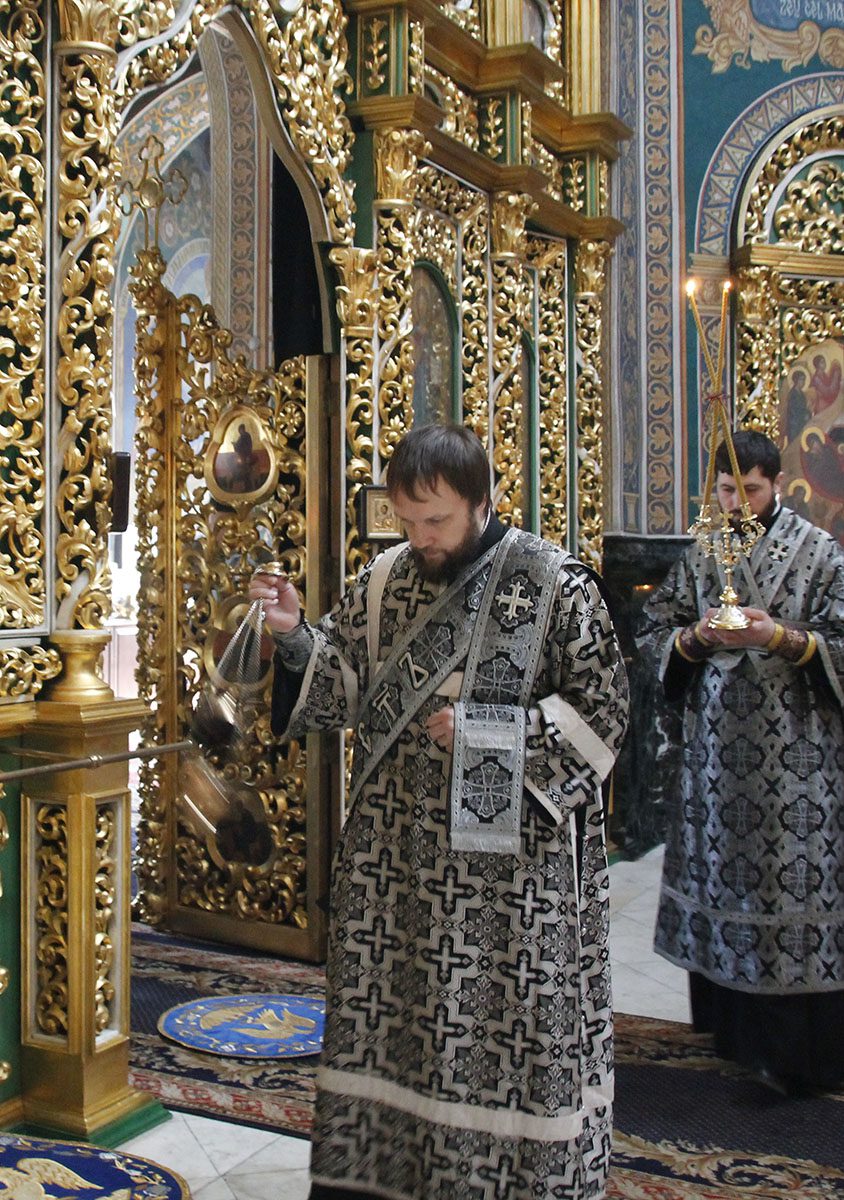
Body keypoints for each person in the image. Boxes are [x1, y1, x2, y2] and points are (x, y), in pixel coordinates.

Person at [249, 424, 629, 1200]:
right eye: (408, 519)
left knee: (497, 1037)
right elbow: (343, 682)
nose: (421, 537)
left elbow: (607, 712)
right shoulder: (384, 579)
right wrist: (293, 635)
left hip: (508, 886)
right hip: (397, 869)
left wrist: (496, 733)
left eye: (438, 521)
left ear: (483, 502)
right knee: (396, 1028)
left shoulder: (553, 583)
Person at [637, 430, 844, 1095]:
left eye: (749, 489)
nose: (736, 503)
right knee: (726, 885)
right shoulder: (704, 551)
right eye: (726, 490)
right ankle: (733, 1039)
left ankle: (797, 1059)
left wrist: (777, 636)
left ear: (776, 483)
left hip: (797, 765)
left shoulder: (820, 553)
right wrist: (695, 638)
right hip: (716, 763)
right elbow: (654, 631)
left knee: (789, 891)